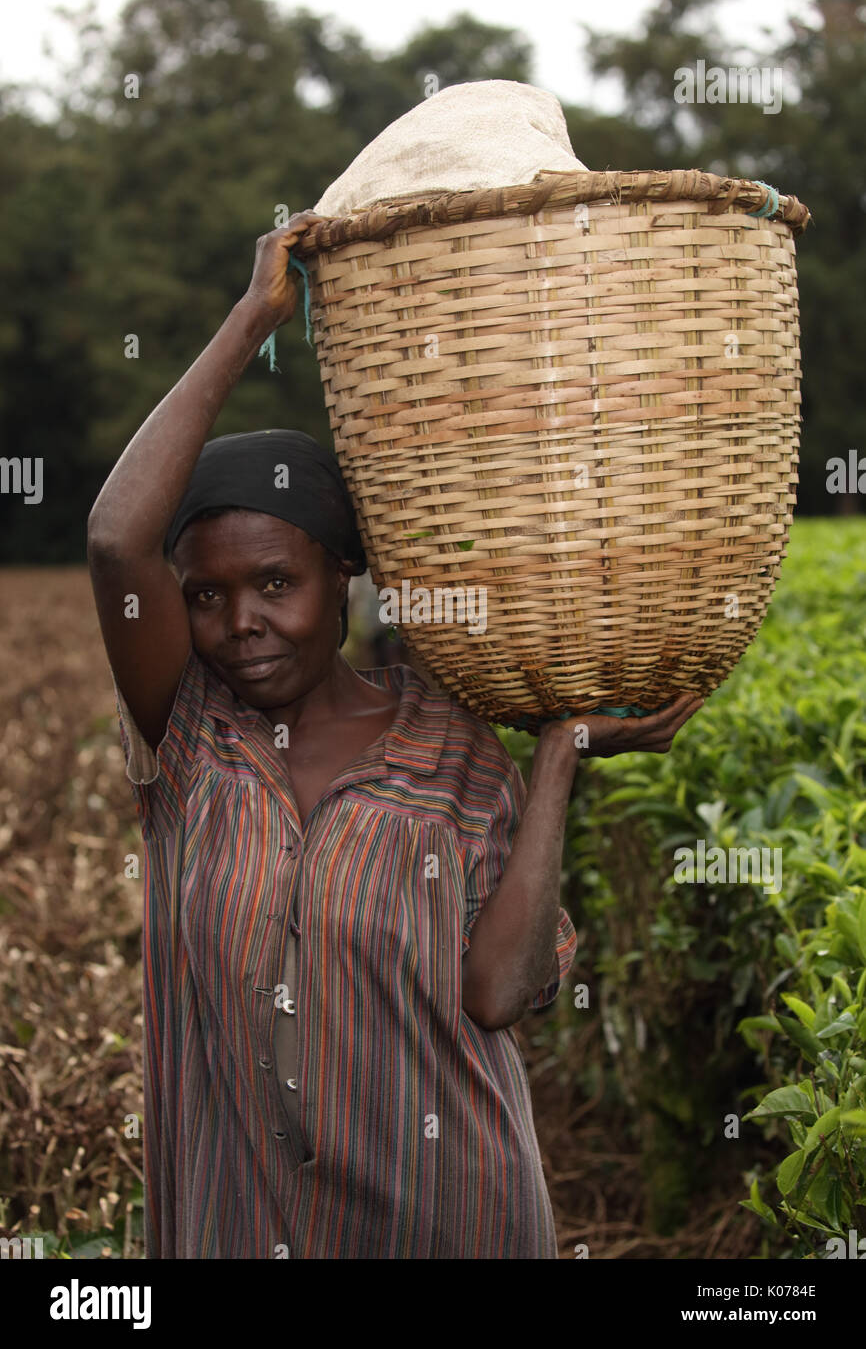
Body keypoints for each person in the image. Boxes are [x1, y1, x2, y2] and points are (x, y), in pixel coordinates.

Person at [87, 212, 703, 1259]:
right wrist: (253, 319)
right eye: (206, 595)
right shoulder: (191, 738)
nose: (242, 623)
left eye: (276, 583)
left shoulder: (446, 746)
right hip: (243, 1228)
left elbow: (501, 990)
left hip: (452, 1216)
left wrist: (557, 756)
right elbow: (112, 538)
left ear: (343, 579)